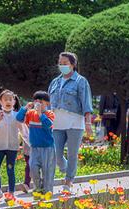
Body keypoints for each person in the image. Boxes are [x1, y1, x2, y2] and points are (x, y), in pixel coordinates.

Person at [48, 52, 93, 192]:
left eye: (65, 63)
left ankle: (68, 181)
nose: (62, 66)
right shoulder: (55, 82)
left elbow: (86, 103)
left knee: (72, 153)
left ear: (73, 65)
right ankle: (66, 169)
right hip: (57, 123)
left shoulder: (81, 81)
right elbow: (49, 103)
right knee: (56, 153)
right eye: (60, 63)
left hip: (75, 122)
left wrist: (88, 123)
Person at [16, 91, 56, 195]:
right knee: (33, 168)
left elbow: (47, 125)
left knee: (47, 171)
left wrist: (39, 114)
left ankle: (47, 191)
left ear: (47, 103)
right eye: (36, 101)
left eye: (41, 102)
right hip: (34, 148)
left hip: (47, 148)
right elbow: (19, 118)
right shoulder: (30, 113)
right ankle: (38, 188)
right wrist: (25, 108)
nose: (37, 104)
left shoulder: (49, 114)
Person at [0, 90, 23, 199]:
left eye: (10, 99)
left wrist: (24, 143)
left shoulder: (17, 116)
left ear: (14, 101)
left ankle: (11, 192)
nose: (8, 101)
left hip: (12, 148)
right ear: (0, 101)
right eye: (5, 99)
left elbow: (23, 130)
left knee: (10, 169)